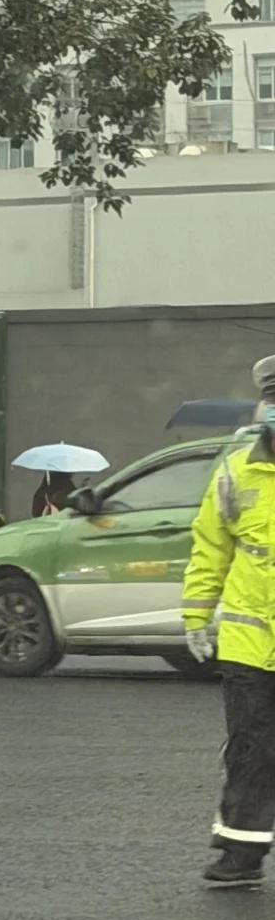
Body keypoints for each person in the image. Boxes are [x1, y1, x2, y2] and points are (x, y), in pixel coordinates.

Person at [184, 354, 275, 886]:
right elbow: (210, 548)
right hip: (248, 645)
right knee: (249, 750)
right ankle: (241, 852)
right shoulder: (237, 472)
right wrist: (197, 614)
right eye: (272, 399)